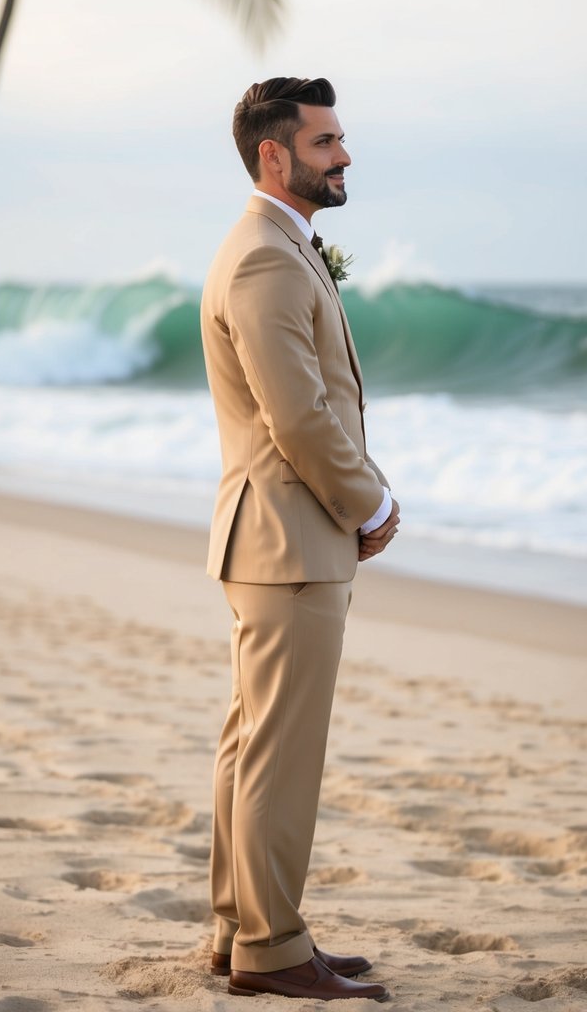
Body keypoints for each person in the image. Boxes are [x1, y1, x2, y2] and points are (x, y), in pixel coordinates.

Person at [200, 77, 400, 1001]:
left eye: (340, 138)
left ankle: (240, 931)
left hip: (271, 538)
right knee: (280, 753)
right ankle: (272, 950)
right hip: (288, 537)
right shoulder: (264, 259)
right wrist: (368, 504)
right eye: (325, 142)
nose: (344, 154)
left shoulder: (276, 247)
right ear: (273, 155)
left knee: (253, 744)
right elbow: (299, 416)